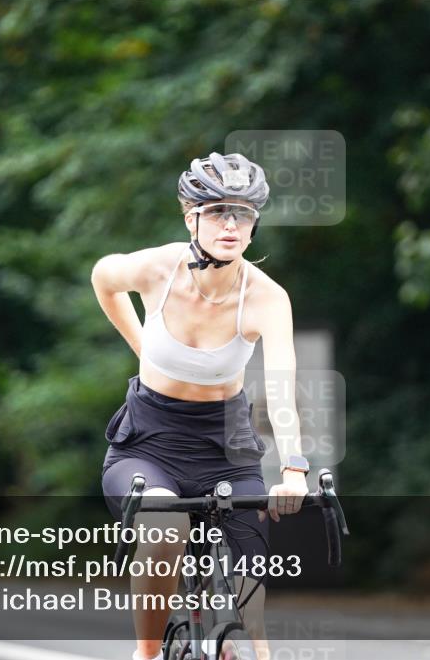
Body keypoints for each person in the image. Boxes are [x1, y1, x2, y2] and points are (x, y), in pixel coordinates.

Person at [91, 152, 311, 660]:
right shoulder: (158, 269)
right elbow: (104, 276)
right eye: (217, 211)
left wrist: (294, 466)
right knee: (164, 528)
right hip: (149, 441)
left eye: (244, 214)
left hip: (227, 445)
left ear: (255, 226)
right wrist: (143, 345)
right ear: (189, 215)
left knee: (250, 605)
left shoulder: (266, 298)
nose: (231, 225)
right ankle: (146, 654)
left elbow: (280, 388)